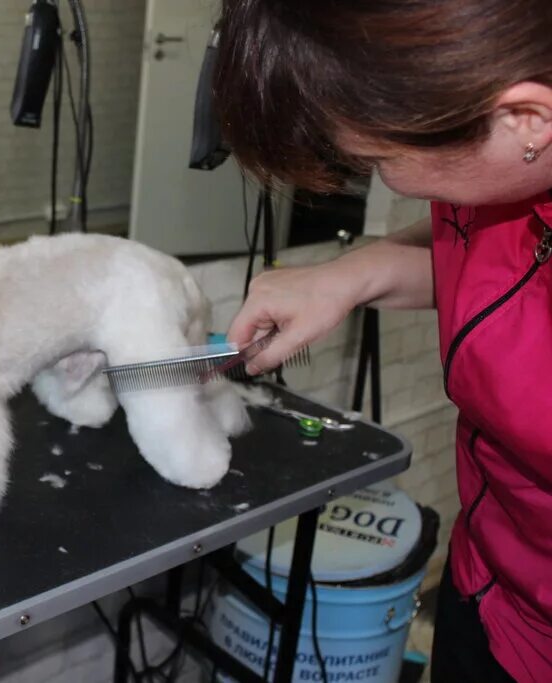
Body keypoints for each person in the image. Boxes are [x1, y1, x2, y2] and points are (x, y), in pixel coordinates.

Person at [211, 1, 552, 681]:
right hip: (484, 586)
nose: (376, 176)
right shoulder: (508, 149)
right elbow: (499, 261)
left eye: (377, 158)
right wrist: (348, 277)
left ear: (527, 119)